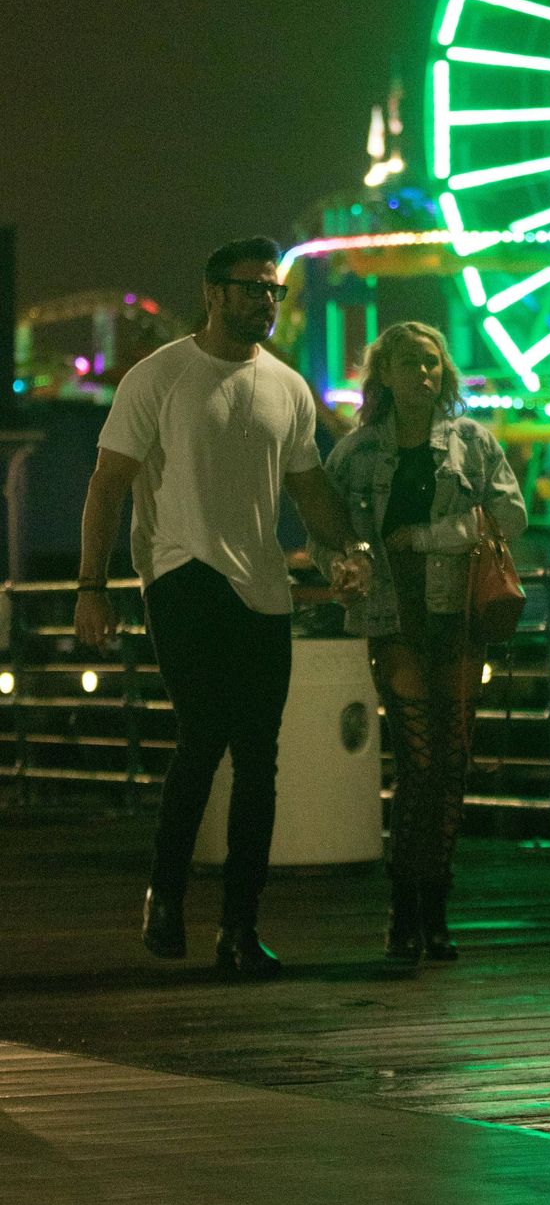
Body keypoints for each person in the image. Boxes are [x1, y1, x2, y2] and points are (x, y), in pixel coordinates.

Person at [75, 236, 373, 977]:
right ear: (213, 293)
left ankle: (240, 927)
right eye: (251, 288)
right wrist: (92, 588)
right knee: (205, 732)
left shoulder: (288, 387)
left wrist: (349, 548)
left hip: (262, 586)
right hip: (181, 571)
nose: (266, 301)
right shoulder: (160, 375)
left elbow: (309, 489)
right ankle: (167, 895)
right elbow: (107, 485)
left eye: (273, 289)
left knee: (259, 758)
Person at [313, 321, 526, 965]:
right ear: (384, 374)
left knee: (451, 760)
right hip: (392, 617)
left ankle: (433, 909)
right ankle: (405, 907)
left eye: (432, 362)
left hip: (456, 618)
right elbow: (322, 529)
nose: (424, 373)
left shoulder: (472, 442)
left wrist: (431, 536)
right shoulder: (355, 453)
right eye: (409, 362)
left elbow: (510, 515)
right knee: (420, 758)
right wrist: (342, 566)